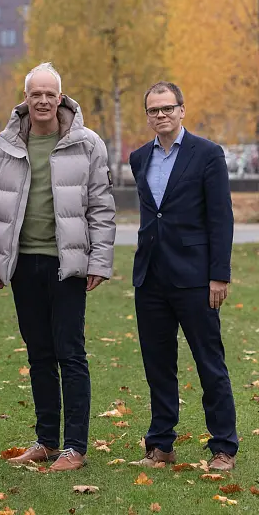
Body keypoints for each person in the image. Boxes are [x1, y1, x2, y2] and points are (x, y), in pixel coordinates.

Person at [0, 62, 116, 471]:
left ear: (61, 98)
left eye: (49, 94)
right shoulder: (6, 143)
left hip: (68, 265)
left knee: (70, 353)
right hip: (24, 265)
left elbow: (102, 208)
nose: (42, 100)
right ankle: (46, 441)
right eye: (34, 93)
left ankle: (75, 446)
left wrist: (100, 261)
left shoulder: (87, 143)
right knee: (39, 354)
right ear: (25, 97)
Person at [130, 81, 237, 471]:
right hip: (151, 278)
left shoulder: (207, 154)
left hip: (196, 279)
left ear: (182, 110)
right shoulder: (139, 157)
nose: (160, 115)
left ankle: (224, 446)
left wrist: (219, 275)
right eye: (153, 110)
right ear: (148, 115)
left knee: (210, 364)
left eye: (167, 108)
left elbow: (220, 218)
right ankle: (161, 444)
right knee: (157, 365)